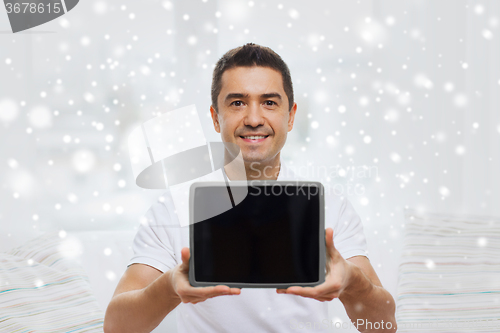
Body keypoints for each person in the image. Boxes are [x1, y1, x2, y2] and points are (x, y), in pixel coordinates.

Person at [104, 43, 397, 333]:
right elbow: (116, 327)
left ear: (291, 116)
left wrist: (352, 283)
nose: (254, 119)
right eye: (237, 103)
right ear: (215, 118)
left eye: (269, 102)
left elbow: (384, 326)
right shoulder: (174, 208)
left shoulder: (330, 206)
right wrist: (169, 287)